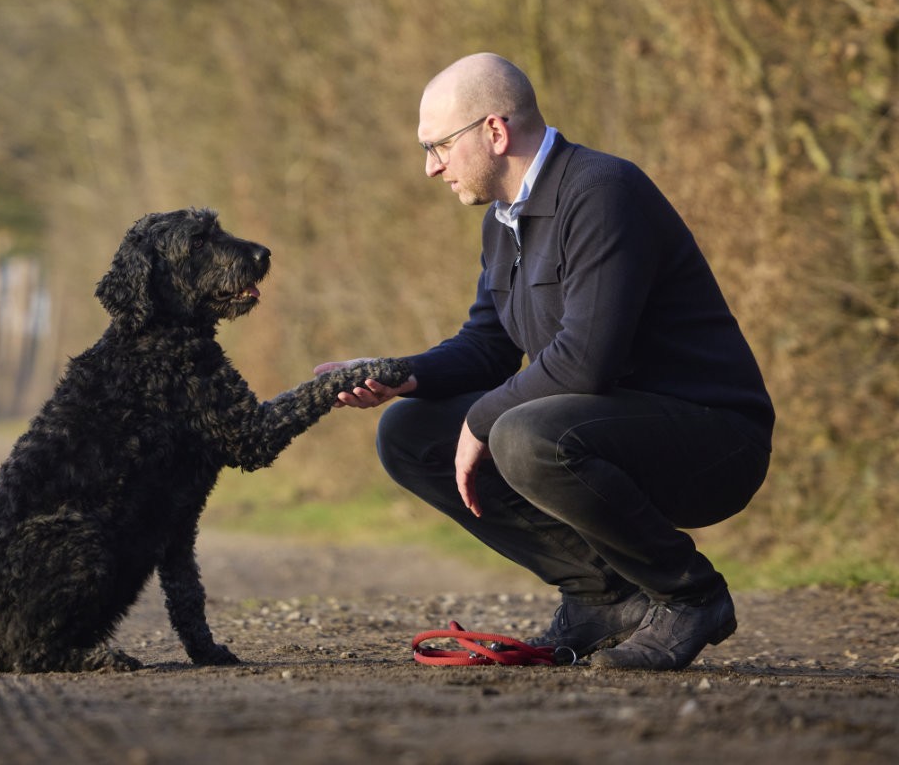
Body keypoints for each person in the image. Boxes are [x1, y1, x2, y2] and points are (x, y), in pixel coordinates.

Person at [316, 53, 773, 671]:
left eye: (439, 146)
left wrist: (480, 421)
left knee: (524, 434)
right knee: (410, 433)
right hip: (611, 424)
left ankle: (690, 596)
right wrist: (402, 373)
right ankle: (602, 598)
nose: (430, 167)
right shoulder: (503, 223)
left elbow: (586, 363)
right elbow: (488, 347)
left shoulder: (602, 193)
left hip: (713, 439)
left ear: (494, 132)